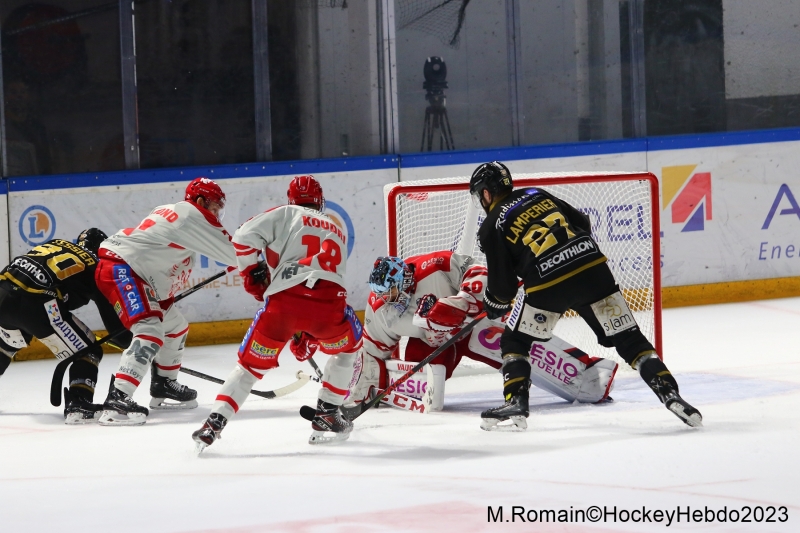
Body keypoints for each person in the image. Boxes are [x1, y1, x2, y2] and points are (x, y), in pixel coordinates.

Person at [469, 161, 702, 431]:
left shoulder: (491, 225)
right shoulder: (536, 193)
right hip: (593, 270)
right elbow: (581, 222)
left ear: (486, 193)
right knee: (629, 339)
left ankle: (516, 402)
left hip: (549, 285)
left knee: (515, 340)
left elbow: (503, 289)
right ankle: (670, 393)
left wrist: (494, 303)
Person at [192, 175, 363, 450]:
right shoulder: (336, 227)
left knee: (247, 368)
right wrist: (310, 334)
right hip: (330, 307)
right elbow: (322, 282)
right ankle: (329, 411)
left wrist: (251, 271)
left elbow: (242, 237)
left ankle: (213, 423)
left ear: (291, 199)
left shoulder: (285, 213)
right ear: (320, 201)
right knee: (348, 348)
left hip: (283, 306)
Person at [346, 253, 617, 412]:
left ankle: (589, 377)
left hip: (471, 325)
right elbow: (373, 350)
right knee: (423, 391)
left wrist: (462, 302)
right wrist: (369, 386)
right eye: (382, 294)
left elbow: (476, 270)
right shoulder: (379, 309)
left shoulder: (436, 265)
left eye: (391, 291)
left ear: (404, 279)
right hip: (431, 342)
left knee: (515, 347)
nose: (387, 299)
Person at [94, 177, 237, 426]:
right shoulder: (192, 215)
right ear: (200, 201)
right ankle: (118, 398)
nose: (216, 214)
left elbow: (157, 255)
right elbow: (235, 252)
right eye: (215, 207)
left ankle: (164, 384)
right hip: (123, 269)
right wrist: (257, 262)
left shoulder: (174, 211)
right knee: (149, 331)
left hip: (133, 271)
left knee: (175, 327)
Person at [0, 228, 132, 423]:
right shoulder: (96, 265)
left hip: (2, 293)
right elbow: (118, 333)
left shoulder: (55, 244)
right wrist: (133, 342)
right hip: (37, 302)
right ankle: (79, 404)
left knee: (6, 345)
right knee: (89, 350)